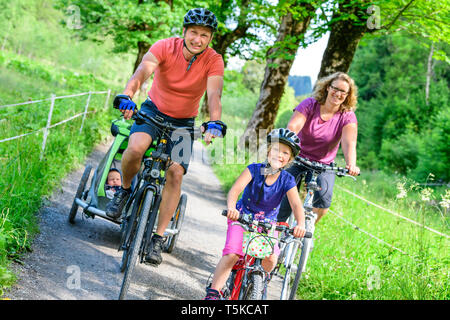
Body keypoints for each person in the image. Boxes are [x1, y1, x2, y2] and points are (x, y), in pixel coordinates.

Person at [106, 8, 227, 266]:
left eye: (204, 35)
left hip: (183, 122)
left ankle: (157, 239)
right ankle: (124, 192)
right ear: (184, 31)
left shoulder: (214, 60)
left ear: (210, 38)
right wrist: (128, 95)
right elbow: (141, 74)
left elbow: (214, 95)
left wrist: (214, 121)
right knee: (136, 148)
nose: (198, 39)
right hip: (152, 111)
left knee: (175, 173)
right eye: (194, 32)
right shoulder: (164, 46)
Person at [204, 129, 307, 300]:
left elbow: (296, 205)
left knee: (272, 258)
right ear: (268, 151)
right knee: (233, 254)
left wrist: (301, 224)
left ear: (289, 159)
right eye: (275, 149)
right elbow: (235, 191)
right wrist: (232, 209)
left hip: (267, 224)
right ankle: (214, 292)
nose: (279, 155)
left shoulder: (287, 180)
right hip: (243, 218)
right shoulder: (253, 169)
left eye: (285, 153)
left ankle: (257, 286)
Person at [277, 72, 360, 225]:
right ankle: (278, 228)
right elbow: (294, 126)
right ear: (328, 88)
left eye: (343, 91)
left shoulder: (347, 116)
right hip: (298, 156)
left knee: (323, 201)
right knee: (286, 191)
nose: (338, 93)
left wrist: (351, 164)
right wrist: (287, 144)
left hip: (324, 163)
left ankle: (307, 228)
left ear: (348, 95)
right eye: (336, 88)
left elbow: (349, 142)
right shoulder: (310, 104)